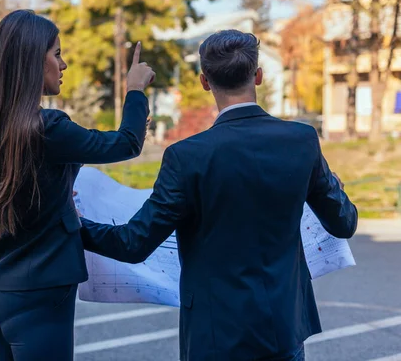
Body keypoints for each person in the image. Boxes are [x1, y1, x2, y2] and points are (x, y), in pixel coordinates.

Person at [79, 29, 358, 361]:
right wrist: (336, 190)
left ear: (204, 81)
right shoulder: (302, 140)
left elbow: (133, 242)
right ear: (257, 75)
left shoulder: (186, 156)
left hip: (215, 337)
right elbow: (343, 224)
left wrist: (75, 224)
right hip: (284, 328)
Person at [0, 9, 155, 361]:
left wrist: (53, 198)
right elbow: (126, 143)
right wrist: (135, 89)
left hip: (1, 283)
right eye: (57, 53)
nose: (63, 65)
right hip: (45, 287)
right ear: (34, 59)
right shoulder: (48, 126)